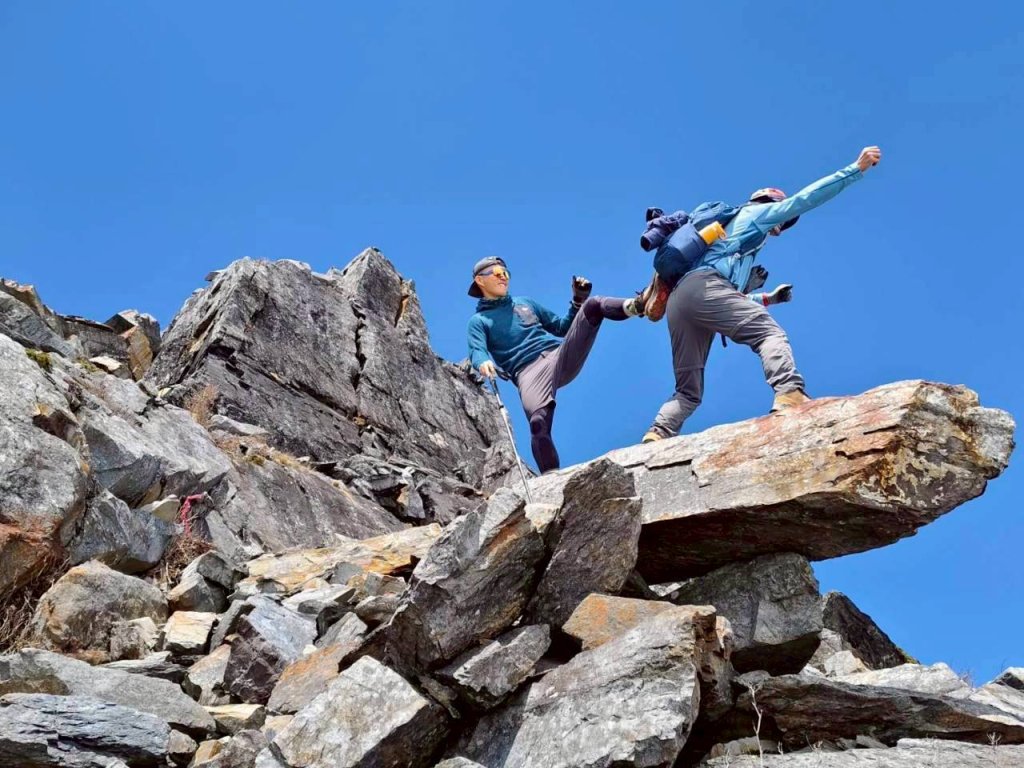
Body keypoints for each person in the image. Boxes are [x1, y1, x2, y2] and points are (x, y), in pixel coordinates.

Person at [642, 146, 883, 443]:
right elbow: (804, 200)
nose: (781, 228)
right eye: (784, 222)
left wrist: (769, 299)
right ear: (768, 203)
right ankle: (789, 393)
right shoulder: (756, 214)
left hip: (681, 301)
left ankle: (658, 432)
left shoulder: (729, 237)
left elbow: (729, 301)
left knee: (688, 390)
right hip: (705, 287)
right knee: (769, 334)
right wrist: (854, 170)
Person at [466, 256, 652, 473]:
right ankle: (551, 479)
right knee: (538, 424)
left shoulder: (525, 303)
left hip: (558, 354)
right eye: (497, 273)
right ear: (480, 280)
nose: (503, 277)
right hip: (528, 372)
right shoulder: (479, 321)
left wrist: (577, 301)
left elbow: (562, 328)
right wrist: (483, 361)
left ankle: (638, 305)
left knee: (592, 305)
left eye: (505, 273)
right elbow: (477, 350)